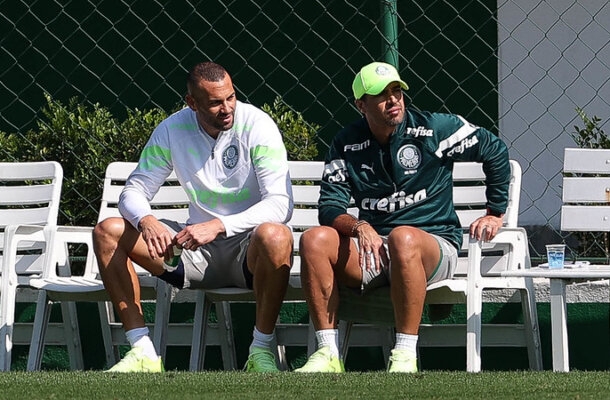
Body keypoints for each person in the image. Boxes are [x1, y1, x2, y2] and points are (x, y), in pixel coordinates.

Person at [294, 61, 510, 373]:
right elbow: (329, 208)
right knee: (314, 239)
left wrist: (495, 213)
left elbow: (495, 149)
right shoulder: (346, 142)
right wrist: (359, 226)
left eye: (397, 91)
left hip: (433, 245)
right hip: (376, 251)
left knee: (403, 237)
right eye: (381, 95)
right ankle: (328, 353)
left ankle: (404, 355)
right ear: (361, 105)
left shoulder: (434, 129)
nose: (393, 100)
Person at [93, 61, 294, 373]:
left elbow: (281, 204)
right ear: (191, 102)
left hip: (249, 252)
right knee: (108, 231)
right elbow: (133, 190)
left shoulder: (257, 124)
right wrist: (146, 220)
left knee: (276, 235)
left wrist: (219, 225)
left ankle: (260, 351)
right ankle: (142, 351)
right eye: (215, 102)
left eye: (231, 97)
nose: (227, 108)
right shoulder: (173, 128)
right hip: (193, 254)